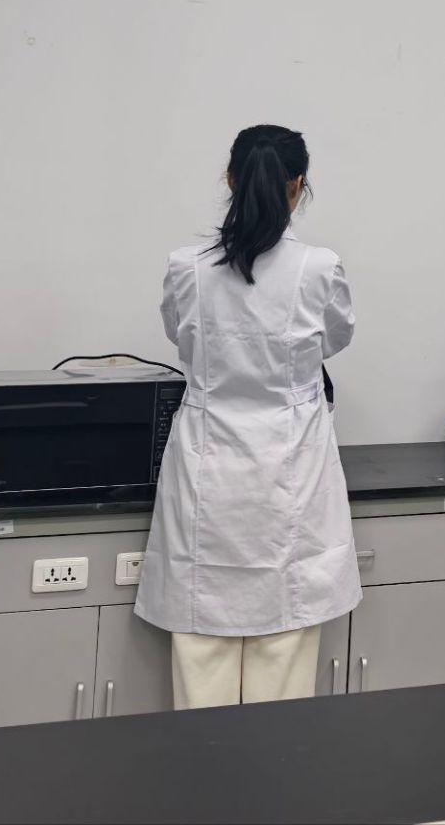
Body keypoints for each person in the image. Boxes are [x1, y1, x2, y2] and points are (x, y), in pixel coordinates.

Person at [134, 124, 359, 707]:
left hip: (207, 471)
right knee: (283, 654)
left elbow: (178, 334)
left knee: (201, 653)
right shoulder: (320, 269)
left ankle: (204, 770)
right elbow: (335, 339)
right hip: (292, 469)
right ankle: (274, 768)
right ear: (298, 186)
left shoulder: (187, 266)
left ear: (230, 179)